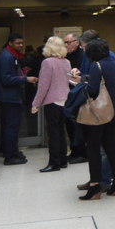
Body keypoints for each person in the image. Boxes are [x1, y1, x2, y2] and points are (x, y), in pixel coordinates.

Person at [75, 38, 115, 200]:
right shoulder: (114, 65)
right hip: (113, 111)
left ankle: (95, 186)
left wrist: (80, 84)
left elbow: (93, 90)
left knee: (94, 148)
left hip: (98, 114)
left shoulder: (97, 66)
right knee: (111, 146)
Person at [0, 33, 38, 165]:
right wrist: (26, 79)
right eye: (18, 43)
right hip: (10, 97)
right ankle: (10, 156)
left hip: (11, 96)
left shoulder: (11, 55)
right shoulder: (7, 57)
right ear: (10, 43)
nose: (21, 45)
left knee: (11, 127)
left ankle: (12, 151)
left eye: (22, 43)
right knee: (11, 127)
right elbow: (6, 79)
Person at [30, 36, 72, 172]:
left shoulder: (47, 62)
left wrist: (35, 103)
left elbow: (43, 86)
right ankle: (63, 160)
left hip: (52, 101)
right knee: (61, 131)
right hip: (64, 99)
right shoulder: (66, 62)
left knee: (53, 133)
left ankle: (54, 163)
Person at [63, 32, 87, 163]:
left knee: (77, 125)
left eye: (69, 42)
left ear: (77, 42)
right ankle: (74, 150)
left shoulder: (82, 57)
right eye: (65, 43)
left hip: (78, 95)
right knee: (70, 125)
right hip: (69, 94)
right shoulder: (67, 56)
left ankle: (80, 152)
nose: (66, 45)